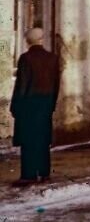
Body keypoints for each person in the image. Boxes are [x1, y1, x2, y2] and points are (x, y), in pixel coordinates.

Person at [10, 28, 61, 187]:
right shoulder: (53, 58)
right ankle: (44, 173)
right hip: (45, 103)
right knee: (43, 139)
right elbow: (56, 84)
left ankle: (29, 174)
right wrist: (52, 104)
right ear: (41, 39)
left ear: (28, 41)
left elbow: (22, 85)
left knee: (28, 140)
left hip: (29, 104)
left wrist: (15, 106)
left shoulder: (26, 58)